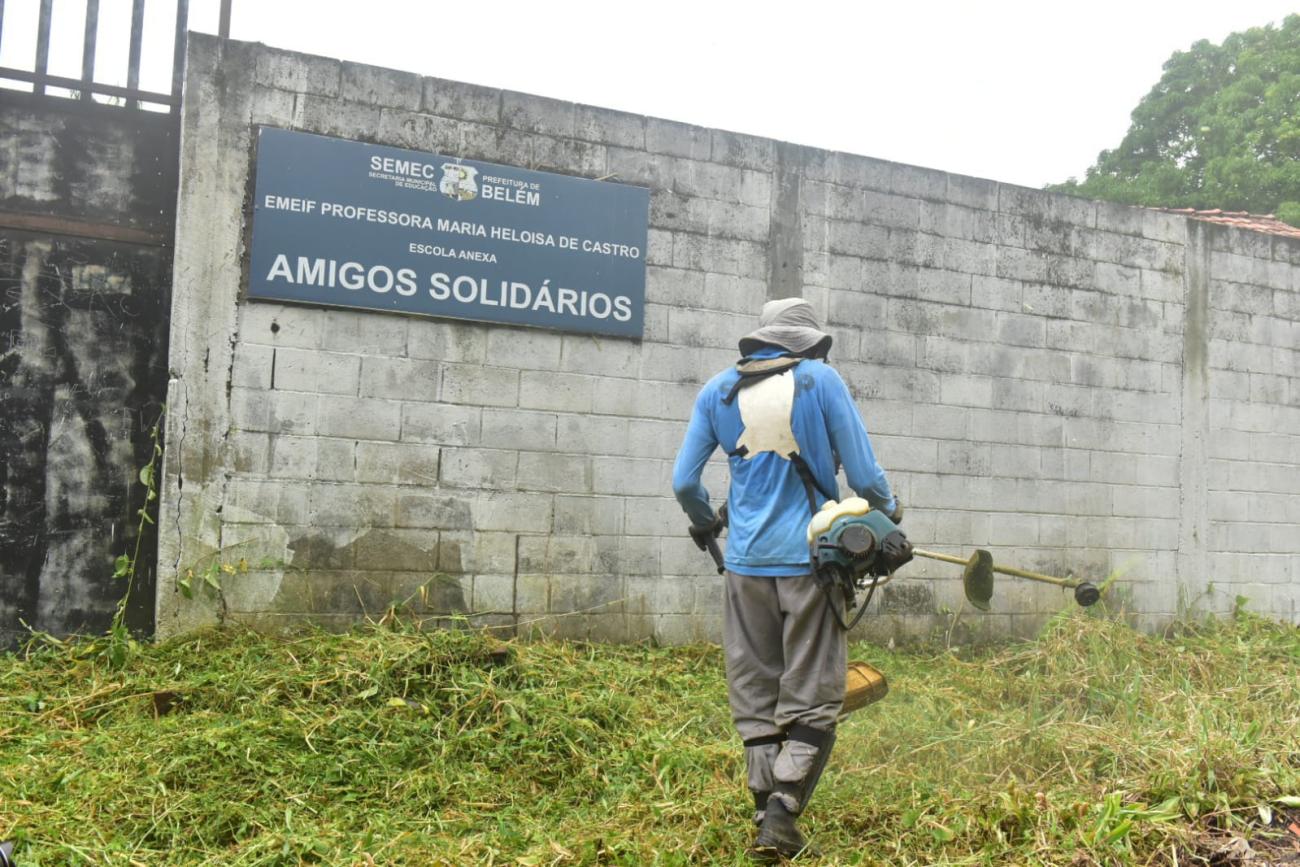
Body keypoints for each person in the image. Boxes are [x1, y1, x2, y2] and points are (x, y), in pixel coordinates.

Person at [671, 297, 901, 860]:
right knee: (815, 689)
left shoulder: (717, 389)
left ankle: (761, 809)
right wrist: (888, 515)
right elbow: (866, 473)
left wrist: (707, 522)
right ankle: (781, 816)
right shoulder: (820, 380)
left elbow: (684, 482)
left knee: (755, 689)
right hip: (811, 562)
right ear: (809, 344)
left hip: (745, 565)